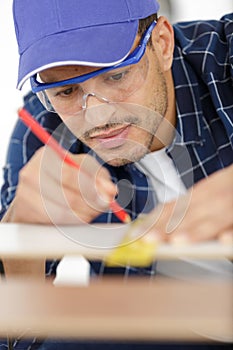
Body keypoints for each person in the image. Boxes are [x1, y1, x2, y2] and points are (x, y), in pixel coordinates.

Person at [0, 0, 232, 348]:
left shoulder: (225, 59)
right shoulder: (43, 133)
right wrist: (19, 237)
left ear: (163, 44)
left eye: (116, 75)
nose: (96, 116)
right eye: (66, 91)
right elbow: (18, 337)